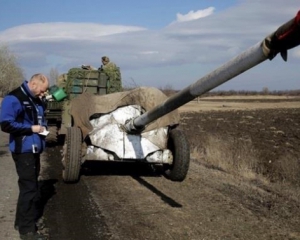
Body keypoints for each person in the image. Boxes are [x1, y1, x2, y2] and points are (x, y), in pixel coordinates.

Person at [0, 74, 49, 240]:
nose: (43, 94)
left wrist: (43, 129)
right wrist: (32, 129)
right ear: (33, 84)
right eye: (42, 91)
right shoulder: (14, 98)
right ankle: (27, 232)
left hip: (34, 149)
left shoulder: (35, 98)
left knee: (30, 187)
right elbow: (6, 124)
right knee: (29, 189)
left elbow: (39, 118)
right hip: (23, 151)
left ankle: (20, 222)